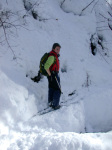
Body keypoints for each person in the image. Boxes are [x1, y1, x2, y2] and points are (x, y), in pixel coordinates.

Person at [44, 43, 61, 110]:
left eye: (59, 49)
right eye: (57, 49)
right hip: (53, 75)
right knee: (57, 89)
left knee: (52, 88)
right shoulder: (52, 56)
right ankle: (55, 105)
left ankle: (50, 103)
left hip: (51, 75)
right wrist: (50, 74)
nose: (58, 50)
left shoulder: (53, 55)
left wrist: (50, 75)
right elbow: (46, 66)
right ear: (53, 49)